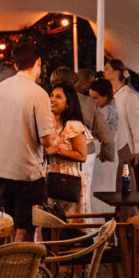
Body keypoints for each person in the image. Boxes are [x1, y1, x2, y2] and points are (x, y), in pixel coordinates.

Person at [0, 41, 57, 240]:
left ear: (15, 64)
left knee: (11, 223)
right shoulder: (38, 93)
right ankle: (17, 270)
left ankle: (7, 264)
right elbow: (47, 140)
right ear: (38, 62)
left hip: (3, 168)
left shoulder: (0, 89)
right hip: (27, 171)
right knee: (26, 228)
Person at [53, 66, 113, 212]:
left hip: (60, 152)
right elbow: (104, 132)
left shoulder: (51, 101)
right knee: (82, 195)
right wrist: (107, 152)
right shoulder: (88, 101)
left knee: (57, 195)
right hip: (86, 153)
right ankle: (83, 227)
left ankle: (60, 227)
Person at [44, 84, 91, 215]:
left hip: (68, 178)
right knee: (50, 219)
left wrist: (57, 150)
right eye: (51, 95)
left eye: (58, 97)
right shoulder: (47, 124)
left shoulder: (73, 125)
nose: (52, 99)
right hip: (50, 175)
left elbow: (82, 155)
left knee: (68, 220)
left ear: (68, 105)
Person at [104, 58, 139, 192]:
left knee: (125, 182)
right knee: (111, 181)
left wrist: (137, 148)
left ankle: (130, 211)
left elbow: (136, 123)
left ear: (117, 72)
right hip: (109, 144)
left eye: (107, 69)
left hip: (123, 145)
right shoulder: (107, 95)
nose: (104, 71)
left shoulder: (128, 96)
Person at [87, 78, 120, 213]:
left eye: (95, 98)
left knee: (100, 191)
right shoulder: (107, 108)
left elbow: (103, 135)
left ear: (105, 96)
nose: (92, 102)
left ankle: (99, 223)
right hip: (103, 152)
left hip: (102, 153)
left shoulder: (107, 111)